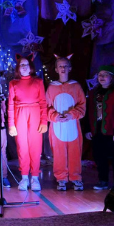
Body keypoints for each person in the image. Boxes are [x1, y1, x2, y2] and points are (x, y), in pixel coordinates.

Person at [85, 64, 114, 190]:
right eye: (100, 75)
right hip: (97, 129)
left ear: (112, 77)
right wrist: (88, 129)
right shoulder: (93, 93)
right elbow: (89, 112)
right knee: (99, 156)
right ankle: (103, 180)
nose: (102, 77)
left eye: (105, 75)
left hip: (112, 130)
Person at [46, 57, 86, 191]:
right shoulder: (51, 88)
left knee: (75, 152)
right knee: (58, 153)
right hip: (57, 126)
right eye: (60, 66)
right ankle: (61, 178)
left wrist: (72, 114)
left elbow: (82, 106)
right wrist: (55, 116)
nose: (63, 68)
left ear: (70, 68)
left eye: (65, 66)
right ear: (56, 69)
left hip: (72, 125)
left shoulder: (76, 87)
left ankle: (76, 177)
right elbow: (46, 107)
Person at [8, 56, 47, 191]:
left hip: (35, 114)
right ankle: (24, 177)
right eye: (21, 65)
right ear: (18, 68)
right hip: (20, 115)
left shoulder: (38, 81)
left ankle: (35, 177)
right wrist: (11, 124)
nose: (24, 67)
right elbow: (10, 104)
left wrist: (44, 121)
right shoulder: (13, 83)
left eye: (26, 64)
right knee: (22, 147)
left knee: (35, 147)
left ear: (30, 67)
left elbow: (43, 102)